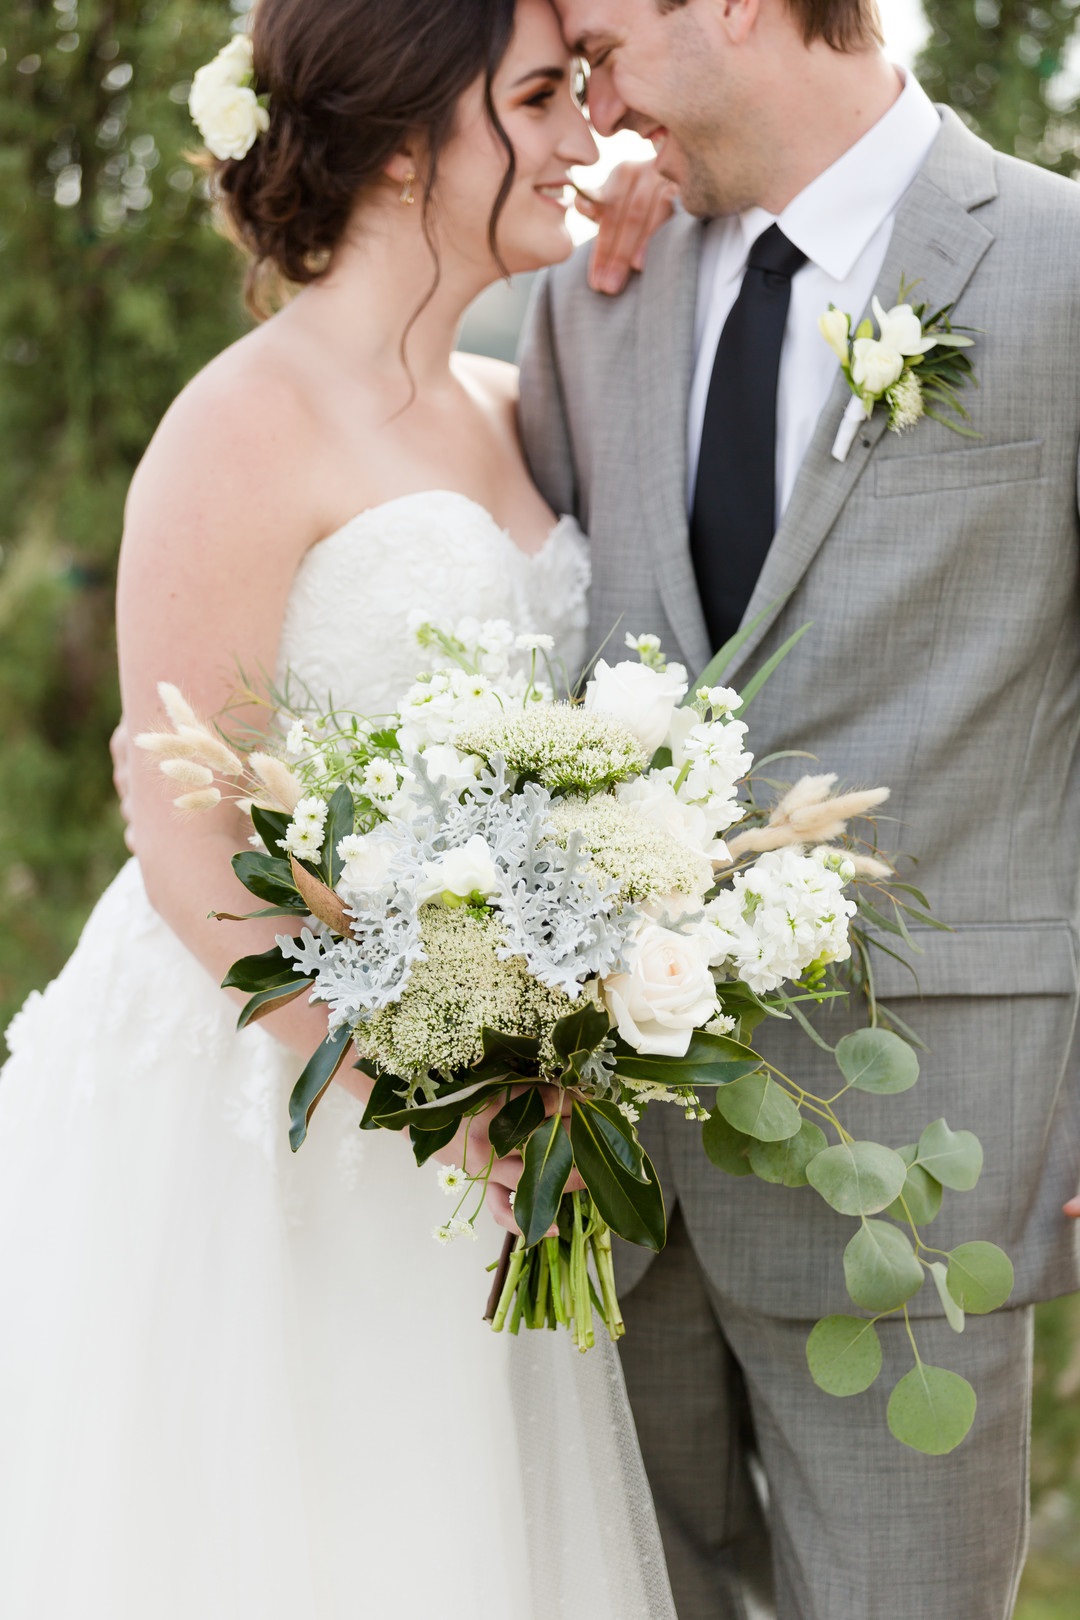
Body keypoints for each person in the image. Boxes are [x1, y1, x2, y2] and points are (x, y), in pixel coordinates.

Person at [0, 3, 678, 1615]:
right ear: (398, 141)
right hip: (285, 1108)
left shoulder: (518, 404)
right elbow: (189, 840)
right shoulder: (243, 421)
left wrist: (530, 1048)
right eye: (539, 98)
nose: (586, 140)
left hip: (492, 1094)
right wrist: (442, 1094)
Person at [517, 0, 1080, 1615]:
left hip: (919, 1155)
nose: (595, 102)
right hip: (612, 1168)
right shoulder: (595, 293)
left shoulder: (1056, 264)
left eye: (605, 45)